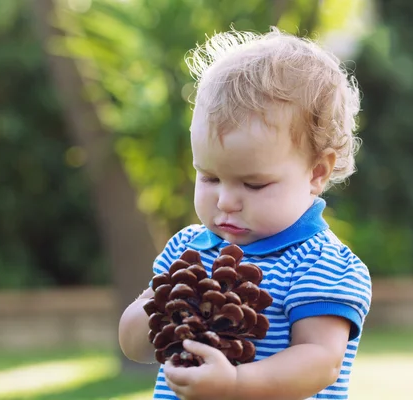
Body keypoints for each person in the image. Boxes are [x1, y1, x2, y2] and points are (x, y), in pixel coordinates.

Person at [118, 27, 371, 400]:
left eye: (253, 185)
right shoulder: (185, 251)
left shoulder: (323, 265)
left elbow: (320, 360)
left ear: (316, 172)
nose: (225, 201)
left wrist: (236, 385)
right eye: (210, 177)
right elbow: (135, 346)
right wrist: (161, 309)